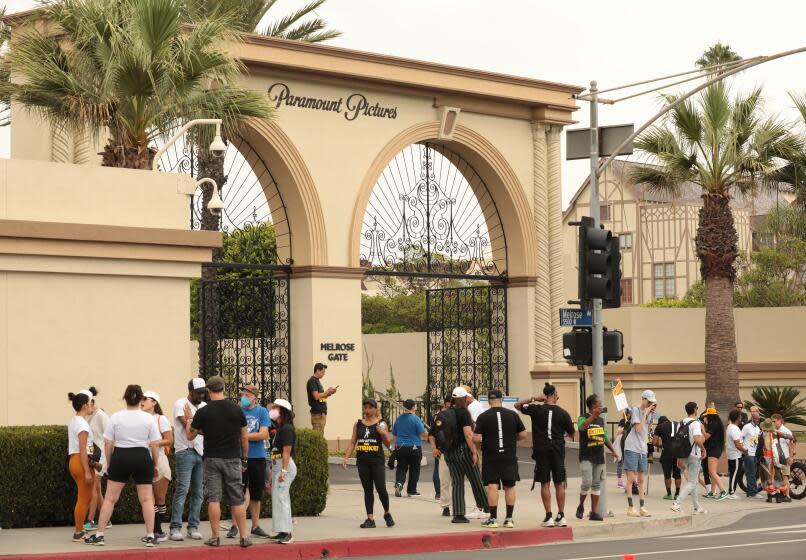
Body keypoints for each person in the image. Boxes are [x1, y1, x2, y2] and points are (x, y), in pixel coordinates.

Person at [84, 385, 162, 547]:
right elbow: (154, 444)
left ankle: (99, 535)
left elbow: (108, 443)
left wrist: (110, 462)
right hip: (142, 457)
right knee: (147, 499)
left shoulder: (116, 417)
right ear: (141, 399)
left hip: (121, 456)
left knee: (110, 498)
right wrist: (155, 464)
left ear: (125, 398)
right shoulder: (148, 418)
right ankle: (150, 536)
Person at [186, 375, 250, 548]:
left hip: (212, 459)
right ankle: (244, 536)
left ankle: (215, 537)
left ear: (208, 390)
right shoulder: (236, 410)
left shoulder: (203, 411)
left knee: (213, 498)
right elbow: (244, 437)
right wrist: (244, 458)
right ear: (223, 388)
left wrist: (189, 419)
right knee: (237, 498)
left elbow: (190, 435)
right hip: (233, 458)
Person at [515, 383, 575, 528]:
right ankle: (561, 515)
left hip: (541, 450)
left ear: (544, 396)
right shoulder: (563, 413)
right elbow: (572, 434)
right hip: (557, 450)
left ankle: (548, 516)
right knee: (559, 482)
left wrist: (534, 398)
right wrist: (562, 435)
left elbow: (517, 405)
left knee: (545, 483)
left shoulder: (536, 409)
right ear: (554, 395)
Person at [473, 389, 527, 529]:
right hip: (509, 455)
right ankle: (509, 518)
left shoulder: (483, 416)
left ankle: (493, 518)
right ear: (501, 399)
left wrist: (478, 445)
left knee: (492, 485)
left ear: (489, 401)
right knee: (510, 486)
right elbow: (523, 434)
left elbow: (476, 438)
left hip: (491, 455)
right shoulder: (512, 415)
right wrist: (512, 439)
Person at [341, 398, 395, 528]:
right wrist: (346, 458)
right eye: (365, 408)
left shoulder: (381, 424)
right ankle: (370, 518)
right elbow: (353, 442)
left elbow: (388, 444)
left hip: (377, 461)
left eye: (371, 408)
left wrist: (384, 434)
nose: (368, 410)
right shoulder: (358, 424)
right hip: (363, 462)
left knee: (381, 488)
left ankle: (387, 513)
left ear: (376, 409)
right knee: (368, 490)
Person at [225, 384, 271, 539]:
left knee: (256, 492)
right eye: (242, 394)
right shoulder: (237, 411)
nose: (243, 397)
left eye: (246, 394)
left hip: (257, 457)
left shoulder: (262, 412)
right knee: (237, 491)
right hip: (238, 457)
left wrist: (244, 436)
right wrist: (250, 436)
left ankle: (255, 525)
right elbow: (231, 432)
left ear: (254, 397)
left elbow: (263, 434)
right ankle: (234, 525)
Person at [441, 386, 488, 524]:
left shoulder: (446, 413)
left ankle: (458, 514)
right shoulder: (464, 413)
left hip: (449, 452)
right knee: (475, 478)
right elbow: (468, 435)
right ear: (464, 399)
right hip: (463, 451)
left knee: (457, 482)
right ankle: (487, 507)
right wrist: (474, 452)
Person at [169, 377, 208, 541]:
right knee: (182, 490)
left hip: (201, 452)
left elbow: (204, 430)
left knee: (198, 493)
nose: (201, 396)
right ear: (190, 391)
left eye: (203, 393)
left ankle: (193, 527)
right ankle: (175, 528)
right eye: (198, 393)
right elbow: (188, 431)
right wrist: (193, 422)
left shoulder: (205, 407)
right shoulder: (181, 404)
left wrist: (193, 421)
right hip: (185, 451)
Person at [577, 394, 619, 521]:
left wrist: (613, 451)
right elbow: (581, 427)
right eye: (598, 404)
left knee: (596, 484)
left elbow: (605, 438)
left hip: (599, 456)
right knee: (587, 483)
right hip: (586, 456)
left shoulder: (601, 420)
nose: (601, 406)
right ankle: (581, 506)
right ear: (592, 405)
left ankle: (593, 512)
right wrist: (592, 417)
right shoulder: (582, 417)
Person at [67, 389, 99, 542]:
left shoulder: (75, 420)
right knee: (84, 499)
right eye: (91, 403)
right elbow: (83, 447)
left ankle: (79, 531)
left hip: (74, 460)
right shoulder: (83, 424)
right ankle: (79, 532)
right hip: (81, 462)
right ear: (85, 405)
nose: (92, 405)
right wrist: (87, 470)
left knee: (83, 497)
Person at [141, 391, 173, 542]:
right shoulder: (138, 418)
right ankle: (153, 531)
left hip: (159, 460)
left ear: (154, 402)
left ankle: (158, 530)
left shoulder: (161, 419)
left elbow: (169, 440)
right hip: (142, 460)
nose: (141, 402)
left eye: (145, 399)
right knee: (148, 499)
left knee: (159, 498)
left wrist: (154, 443)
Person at [623, 390, 657, 517]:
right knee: (631, 479)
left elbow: (647, 431)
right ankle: (630, 507)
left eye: (652, 402)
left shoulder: (648, 413)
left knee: (641, 479)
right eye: (649, 401)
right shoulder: (636, 410)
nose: (650, 404)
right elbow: (638, 429)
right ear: (643, 399)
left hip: (642, 448)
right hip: (632, 447)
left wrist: (650, 416)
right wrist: (645, 414)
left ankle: (642, 506)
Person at [268, 398, 297, 544]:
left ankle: (287, 533)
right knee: (278, 499)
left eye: (275, 407)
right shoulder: (281, 429)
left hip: (285, 467)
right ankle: (281, 530)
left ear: (282, 412)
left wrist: (283, 472)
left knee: (282, 498)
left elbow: (286, 451)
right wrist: (272, 474)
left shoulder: (287, 429)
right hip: (278, 467)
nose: (272, 410)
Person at [670, 402, 707, 515]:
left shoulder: (682, 422)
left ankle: (697, 507)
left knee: (693, 481)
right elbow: (697, 439)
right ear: (695, 409)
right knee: (692, 482)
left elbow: (678, 440)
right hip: (694, 454)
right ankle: (677, 503)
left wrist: (679, 457)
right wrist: (703, 449)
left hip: (683, 454)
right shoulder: (696, 423)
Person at [85, 387, 110, 532]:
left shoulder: (101, 415)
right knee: (98, 488)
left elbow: (109, 436)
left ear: (90, 403)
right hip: (92, 455)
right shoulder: (87, 415)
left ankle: (90, 520)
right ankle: (106, 520)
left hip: (101, 457)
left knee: (94, 487)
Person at [392, 399, 427, 497]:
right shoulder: (416, 419)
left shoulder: (399, 419)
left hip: (401, 447)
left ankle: (399, 483)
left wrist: (397, 445)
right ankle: (411, 490)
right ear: (413, 407)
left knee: (401, 467)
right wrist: (431, 435)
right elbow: (423, 433)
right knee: (414, 469)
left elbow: (394, 435)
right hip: (414, 447)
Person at [429, 395, 454, 517]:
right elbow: (432, 434)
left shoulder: (461, 414)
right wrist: (434, 448)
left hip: (458, 452)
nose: (450, 405)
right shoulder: (439, 416)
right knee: (444, 480)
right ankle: (445, 506)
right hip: (443, 451)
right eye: (448, 403)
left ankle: (458, 506)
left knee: (457, 482)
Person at [652, 416, 681, 501]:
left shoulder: (659, 427)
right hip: (678, 453)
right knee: (677, 474)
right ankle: (677, 494)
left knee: (667, 474)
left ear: (660, 422)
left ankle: (669, 494)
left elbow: (654, 441)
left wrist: (660, 446)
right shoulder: (677, 424)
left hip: (667, 453)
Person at [701, 407, 727, 500]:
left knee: (711, 472)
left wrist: (702, 427)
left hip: (713, 449)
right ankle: (712, 492)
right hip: (716, 449)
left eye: (706, 416)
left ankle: (723, 491)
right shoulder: (717, 423)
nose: (705, 418)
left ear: (710, 416)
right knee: (712, 472)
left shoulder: (713, 424)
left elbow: (706, 436)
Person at [307, 363, 337, 435]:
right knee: (317, 436)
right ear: (317, 370)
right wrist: (327, 391)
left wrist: (330, 393)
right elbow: (316, 396)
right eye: (323, 372)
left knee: (320, 434)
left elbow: (322, 396)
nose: (324, 374)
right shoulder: (312, 381)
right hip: (317, 413)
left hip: (321, 413)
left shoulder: (317, 381)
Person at [772, 413, 795, 502]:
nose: (773, 423)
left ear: (779, 420)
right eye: (772, 421)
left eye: (774, 421)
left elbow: (791, 444)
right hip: (777, 458)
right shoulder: (774, 430)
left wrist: (791, 456)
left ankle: (787, 496)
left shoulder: (786, 431)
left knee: (785, 477)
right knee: (778, 477)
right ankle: (780, 494)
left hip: (785, 458)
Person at [741, 405, 762, 498]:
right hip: (748, 453)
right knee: (751, 473)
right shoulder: (747, 427)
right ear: (752, 418)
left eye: (758, 419)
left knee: (752, 473)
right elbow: (741, 438)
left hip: (754, 453)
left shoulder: (757, 428)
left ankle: (751, 491)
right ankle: (753, 492)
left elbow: (755, 440)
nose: (758, 420)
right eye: (756, 419)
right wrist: (743, 450)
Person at [725, 409, 747, 499]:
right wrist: (745, 450)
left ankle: (731, 490)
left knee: (733, 473)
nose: (741, 417)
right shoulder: (734, 428)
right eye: (740, 416)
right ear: (738, 418)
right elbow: (737, 444)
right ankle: (731, 492)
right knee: (735, 473)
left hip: (732, 454)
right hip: (735, 455)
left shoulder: (731, 427)